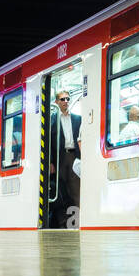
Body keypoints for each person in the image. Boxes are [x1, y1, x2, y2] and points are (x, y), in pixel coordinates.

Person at [47, 90, 82, 228]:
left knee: (75, 191)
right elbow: (48, 142)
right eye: (62, 99)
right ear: (56, 102)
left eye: (68, 99)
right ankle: (63, 224)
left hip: (74, 157)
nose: (66, 101)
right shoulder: (52, 120)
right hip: (59, 158)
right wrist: (50, 161)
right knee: (61, 192)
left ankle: (76, 223)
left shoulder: (78, 119)